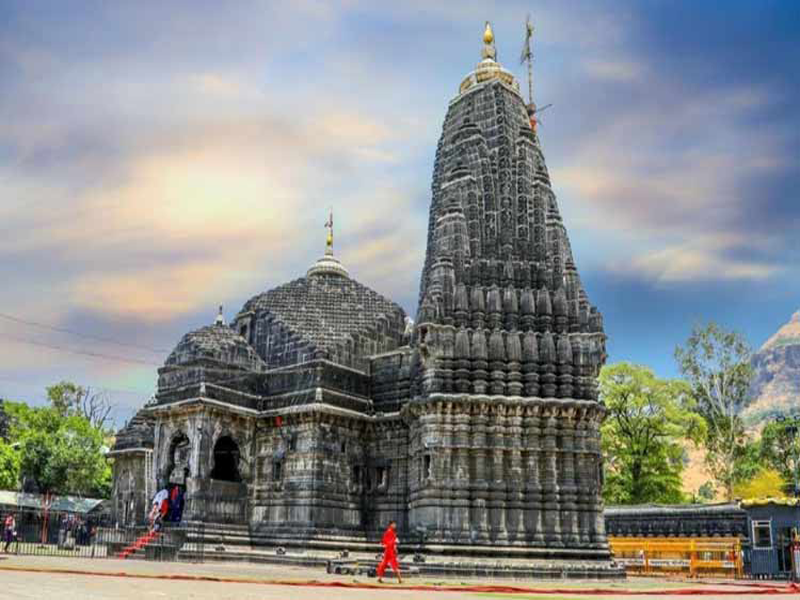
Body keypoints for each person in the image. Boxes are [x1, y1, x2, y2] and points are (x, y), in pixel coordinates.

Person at [376, 519, 402, 584]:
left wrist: (394, 545)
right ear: (391, 524)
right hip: (390, 550)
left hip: (388, 550)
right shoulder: (390, 532)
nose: (395, 525)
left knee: (384, 564)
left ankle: (379, 578)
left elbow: (384, 541)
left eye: (395, 524)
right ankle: (400, 580)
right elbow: (387, 541)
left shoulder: (390, 532)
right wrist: (395, 542)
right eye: (394, 524)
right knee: (394, 564)